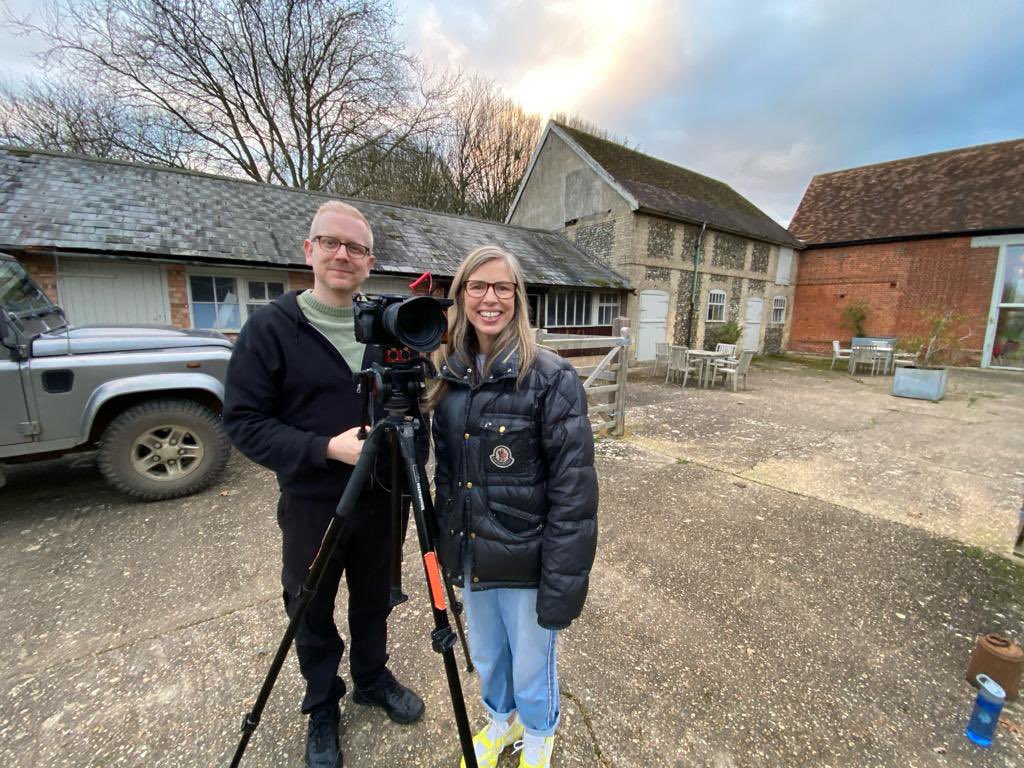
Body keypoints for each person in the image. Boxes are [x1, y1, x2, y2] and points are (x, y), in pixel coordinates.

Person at [224, 201, 425, 768]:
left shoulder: (391, 328)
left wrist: (417, 474)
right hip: (315, 500)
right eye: (330, 243)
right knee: (310, 606)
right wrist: (324, 448)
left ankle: (370, 677)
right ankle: (322, 704)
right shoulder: (271, 328)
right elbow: (244, 422)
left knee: (375, 599)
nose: (343, 254)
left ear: (369, 262)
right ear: (308, 250)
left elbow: (416, 409)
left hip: (385, 501)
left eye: (356, 247)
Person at [429, 245, 598, 768]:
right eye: (478, 286)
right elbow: (445, 475)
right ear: (461, 296)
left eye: (503, 287)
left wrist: (563, 579)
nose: (490, 298)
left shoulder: (549, 378)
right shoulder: (447, 376)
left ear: (519, 298)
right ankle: (500, 724)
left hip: (527, 556)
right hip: (473, 551)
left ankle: (540, 734)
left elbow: (575, 490)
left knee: (530, 660)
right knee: (486, 653)